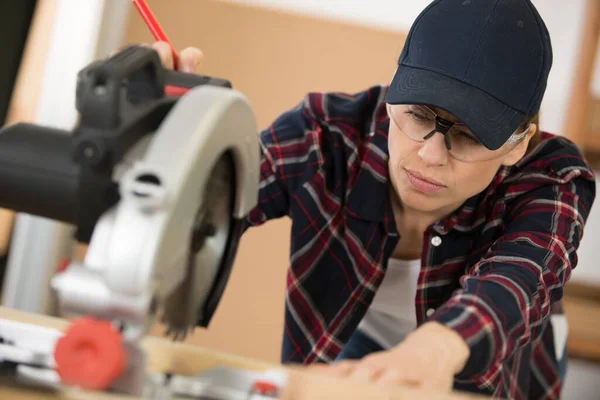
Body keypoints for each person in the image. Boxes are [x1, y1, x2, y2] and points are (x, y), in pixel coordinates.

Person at [135, 0, 596, 398]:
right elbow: (214, 193)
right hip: (356, 341)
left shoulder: (552, 178)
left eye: (470, 136)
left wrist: (434, 350)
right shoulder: (327, 134)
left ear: (517, 143)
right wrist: (165, 140)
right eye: (417, 115)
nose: (431, 155)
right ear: (396, 92)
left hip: (498, 368)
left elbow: (519, 280)